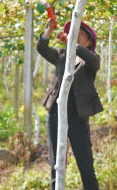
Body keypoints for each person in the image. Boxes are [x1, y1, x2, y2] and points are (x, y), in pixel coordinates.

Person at [37, 15, 103, 190]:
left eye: (80, 34)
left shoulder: (90, 60)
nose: (76, 36)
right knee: (56, 162)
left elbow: (94, 62)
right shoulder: (62, 55)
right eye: (74, 33)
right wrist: (48, 31)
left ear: (89, 41)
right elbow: (42, 48)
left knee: (85, 163)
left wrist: (73, 45)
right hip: (55, 113)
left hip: (78, 116)